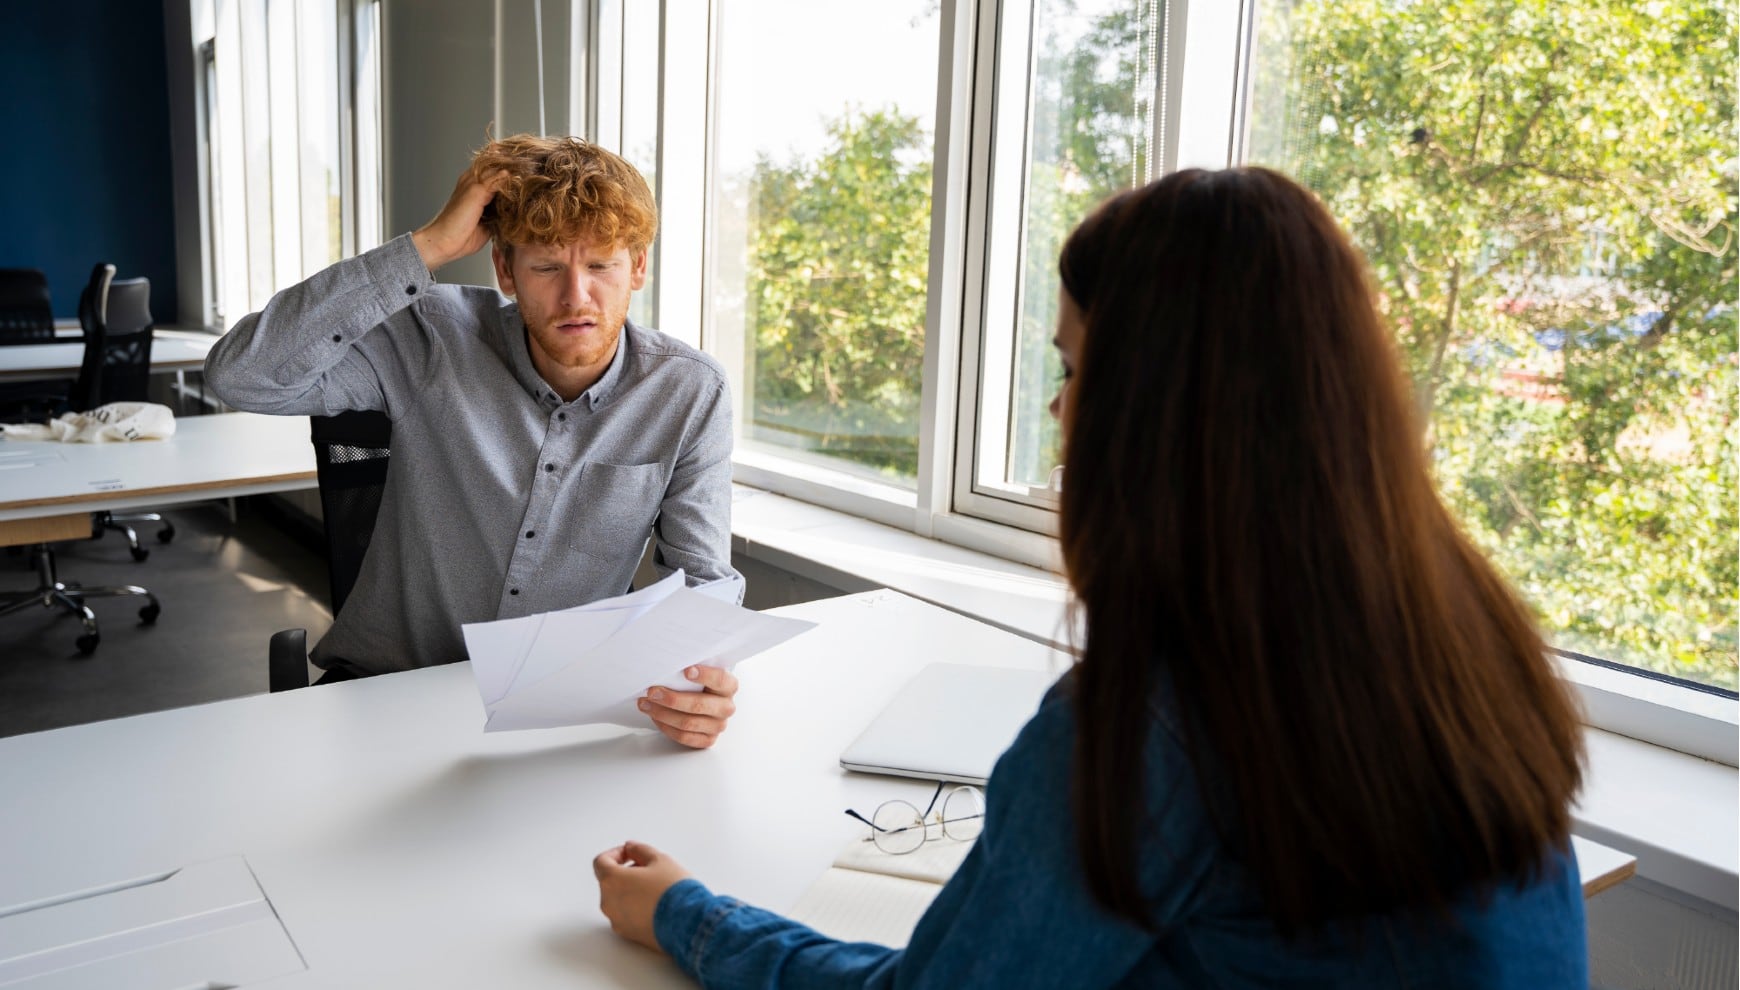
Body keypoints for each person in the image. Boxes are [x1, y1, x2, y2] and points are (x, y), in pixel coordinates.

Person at [592, 167, 1590, 983]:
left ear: (1159, 409)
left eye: (1074, 370)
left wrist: (688, 915)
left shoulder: (1156, 720)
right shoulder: (1469, 639)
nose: (1062, 413)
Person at [205, 136, 744, 749]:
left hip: (554, 714)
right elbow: (241, 377)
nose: (576, 297)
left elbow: (703, 578)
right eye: (545, 266)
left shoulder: (689, 391)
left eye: (600, 265)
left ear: (638, 266)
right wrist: (427, 248)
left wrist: (706, 681)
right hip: (386, 696)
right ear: (505, 270)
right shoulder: (433, 336)